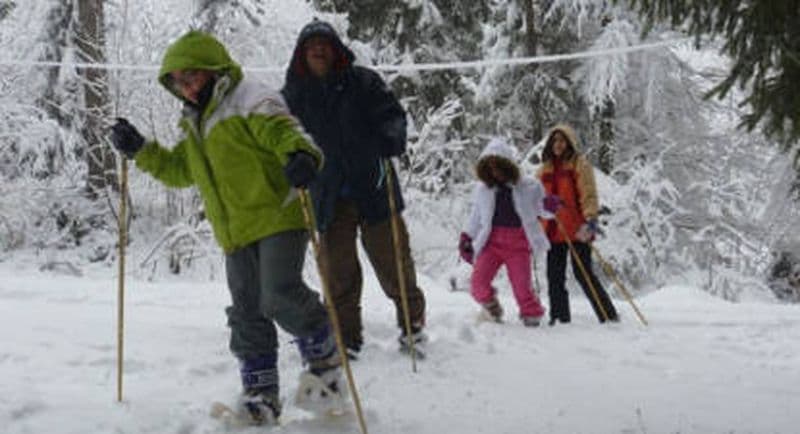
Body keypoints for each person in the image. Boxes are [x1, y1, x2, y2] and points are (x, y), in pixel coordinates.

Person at [109, 30, 345, 425]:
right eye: (178, 83)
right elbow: (181, 171)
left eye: (192, 77)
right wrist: (140, 150)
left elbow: (285, 132)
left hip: (276, 215)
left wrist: (301, 154)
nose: (186, 88)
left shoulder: (250, 98)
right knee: (246, 311)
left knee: (278, 295)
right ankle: (260, 393)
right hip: (235, 231)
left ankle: (326, 362)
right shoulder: (195, 123)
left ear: (213, 70)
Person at [281, 19, 426, 358]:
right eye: (311, 45)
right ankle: (347, 337)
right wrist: (291, 163)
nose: (318, 49)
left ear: (336, 49)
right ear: (302, 54)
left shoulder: (363, 82)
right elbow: (278, 137)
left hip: (374, 187)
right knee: (337, 272)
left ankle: (412, 323)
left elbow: (393, 115)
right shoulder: (292, 96)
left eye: (324, 43)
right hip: (327, 195)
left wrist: (392, 136)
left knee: (394, 263)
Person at [458, 138, 550, 326]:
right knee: (477, 284)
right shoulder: (483, 190)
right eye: (490, 168)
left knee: (521, 286)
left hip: (518, 245)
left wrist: (552, 205)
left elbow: (542, 209)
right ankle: (492, 307)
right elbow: (476, 217)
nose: (495, 172)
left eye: (499, 167)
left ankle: (531, 313)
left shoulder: (529, 186)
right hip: (491, 244)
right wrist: (466, 237)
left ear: (508, 166)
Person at [537, 124, 619, 325]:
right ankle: (559, 318)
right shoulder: (543, 169)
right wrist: (542, 207)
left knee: (583, 273)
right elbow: (536, 198)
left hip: (578, 228)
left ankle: (608, 315)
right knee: (554, 277)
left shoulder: (579, 164)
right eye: (555, 140)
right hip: (554, 229)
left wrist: (591, 218)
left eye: (562, 140)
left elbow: (588, 193)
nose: (558, 144)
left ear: (570, 143)